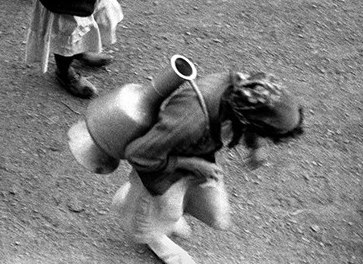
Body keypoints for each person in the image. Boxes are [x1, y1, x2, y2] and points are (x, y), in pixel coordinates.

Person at [112, 71, 305, 264]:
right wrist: (192, 164)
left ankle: (142, 204)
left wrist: (256, 146)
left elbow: (250, 119)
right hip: (158, 169)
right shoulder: (190, 118)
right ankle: (151, 227)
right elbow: (138, 154)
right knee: (155, 221)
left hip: (197, 157)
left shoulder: (246, 92)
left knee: (217, 218)